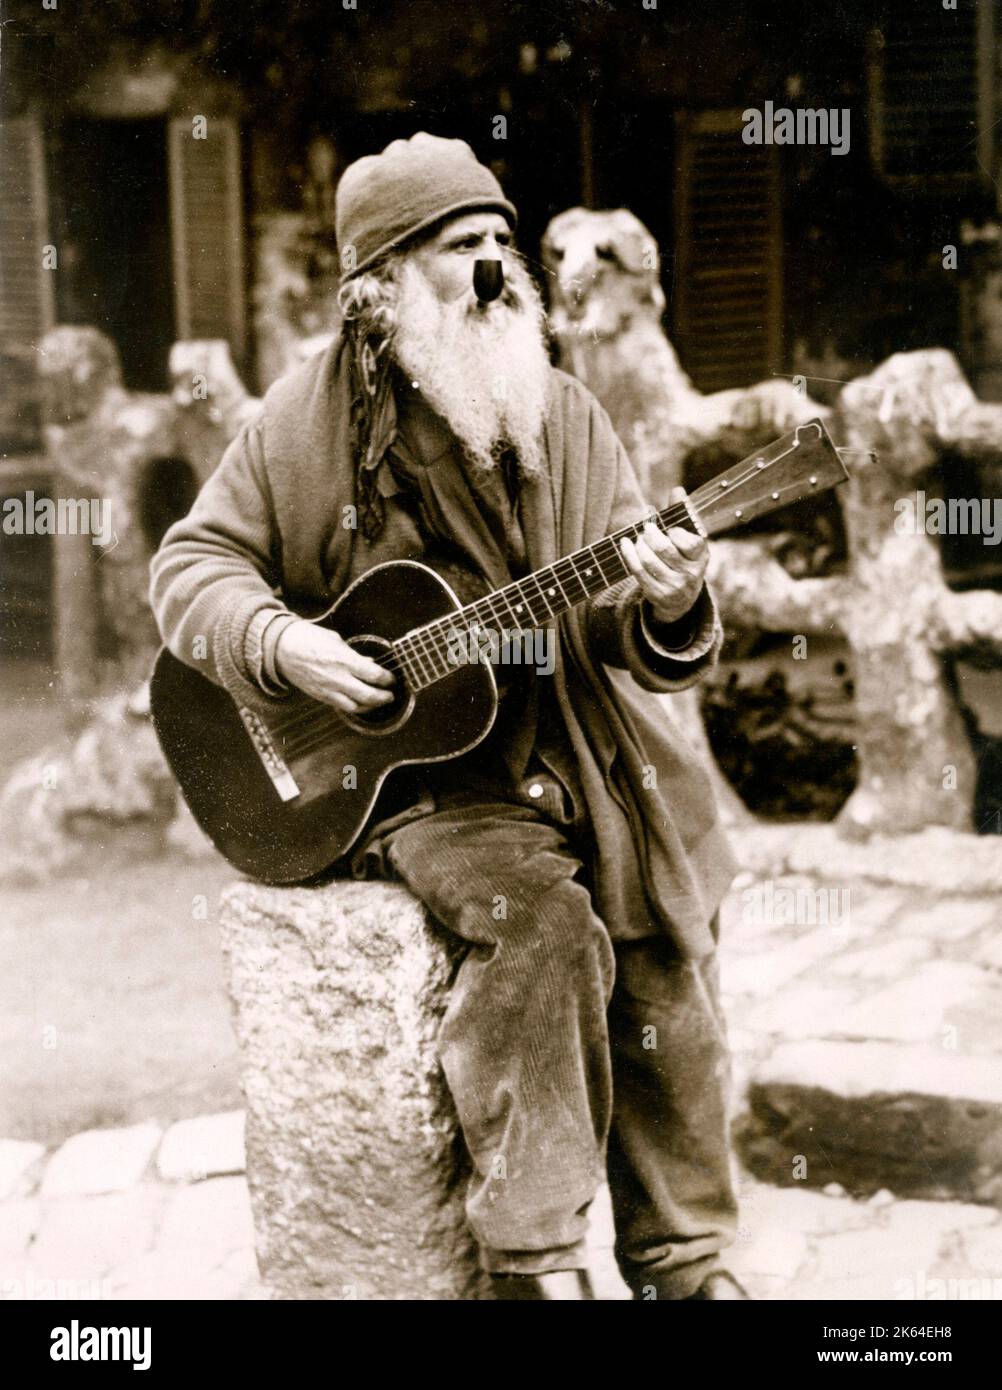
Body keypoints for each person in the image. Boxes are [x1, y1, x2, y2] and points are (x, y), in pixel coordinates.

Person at [150, 132, 746, 1301]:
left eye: (497, 242)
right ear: (379, 284)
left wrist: (671, 599)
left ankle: (686, 1262)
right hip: (418, 787)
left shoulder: (563, 412)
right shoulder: (299, 423)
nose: (493, 269)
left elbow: (630, 628)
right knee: (544, 926)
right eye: (456, 246)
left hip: (571, 752)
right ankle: (532, 1261)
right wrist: (284, 647)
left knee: (660, 933)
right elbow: (190, 565)